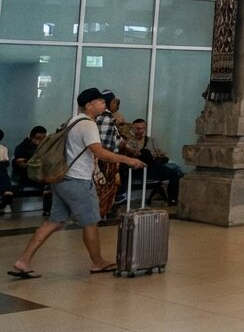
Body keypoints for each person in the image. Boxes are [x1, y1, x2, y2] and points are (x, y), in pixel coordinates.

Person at [8, 87, 145, 279]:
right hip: (78, 180)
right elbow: (100, 152)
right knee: (90, 222)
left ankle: (23, 260)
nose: (104, 103)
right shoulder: (88, 125)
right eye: (100, 101)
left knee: (54, 222)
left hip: (62, 178)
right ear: (89, 105)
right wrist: (128, 160)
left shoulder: (73, 121)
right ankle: (98, 262)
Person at [123, 120, 183, 205]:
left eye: (141, 128)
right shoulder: (128, 142)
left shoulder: (151, 140)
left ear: (145, 129)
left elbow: (159, 153)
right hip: (137, 169)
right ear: (132, 129)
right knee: (144, 152)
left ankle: (173, 200)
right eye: (136, 129)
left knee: (174, 173)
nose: (139, 131)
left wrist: (157, 154)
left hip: (153, 167)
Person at [11, 126, 50, 217]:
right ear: (32, 137)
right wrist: (27, 163)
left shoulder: (45, 147)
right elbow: (19, 163)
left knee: (50, 185)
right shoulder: (22, 147)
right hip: (27, 175)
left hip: (40, 174)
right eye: (38, 138)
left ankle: (48, 209)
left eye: (43, 138)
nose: (41, 141)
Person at [0, 130, 12, 214]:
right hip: (2, 170)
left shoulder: (3, 148)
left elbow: (7, 162)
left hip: (2, 170)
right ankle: (7, 206)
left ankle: (6, 205)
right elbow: (6, 162)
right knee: (6, 187)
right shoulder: (3, 148)